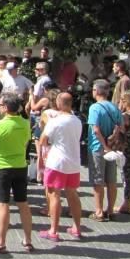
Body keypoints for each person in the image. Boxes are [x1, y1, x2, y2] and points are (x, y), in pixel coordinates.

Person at [0, 94, 33, 253]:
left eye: (0, 104)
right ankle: (28, 240)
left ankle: (1, 241)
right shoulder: (26, 123)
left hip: (2, 167)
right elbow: (26, 142)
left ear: (6, 108)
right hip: (20, 166)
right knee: (23, 203)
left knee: (2, 204)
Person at [38, 93, 84, 240]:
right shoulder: (77, 121)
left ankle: (54, 230)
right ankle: (77, 227)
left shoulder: (55, 121)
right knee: (72, 194)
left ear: (59, 103)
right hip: (74, 162)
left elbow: (43, 140)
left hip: (57, 161)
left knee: (54, 195)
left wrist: (48, 145)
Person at [87, 79, 123, 222]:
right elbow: (120, 126)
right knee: (111, 180)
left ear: (96, 91)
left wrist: (105, 146)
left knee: (98, 180)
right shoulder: (114, 107)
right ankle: (111, 210)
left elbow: (95, 129)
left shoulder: (94, 108)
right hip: (112, 148)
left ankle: (99, 211)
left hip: (98, 147)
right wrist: (113, 138)